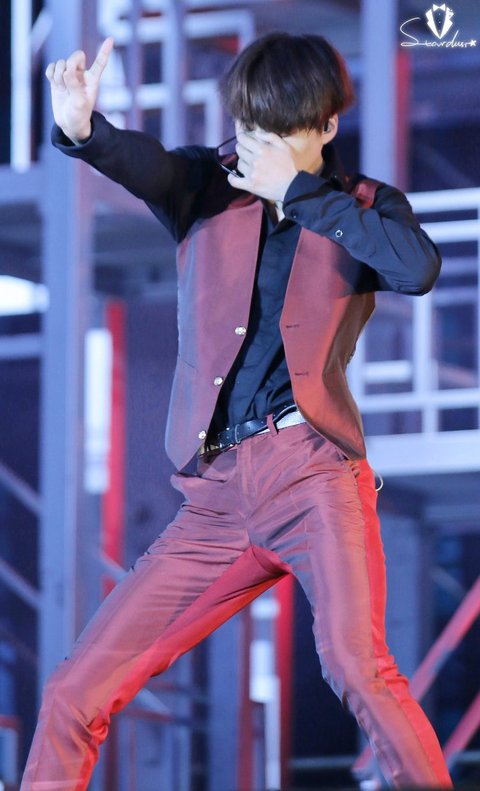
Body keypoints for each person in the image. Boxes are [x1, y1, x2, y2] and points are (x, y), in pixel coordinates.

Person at [21, 32, 453, 790]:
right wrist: (86, 129)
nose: (257, 149)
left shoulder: (360, 206)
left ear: (325, 126)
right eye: (249, 128)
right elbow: (147, 163)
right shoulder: (206, 186)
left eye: (278, 133)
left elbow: (415, 267)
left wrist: (301, 194)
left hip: (313, 478)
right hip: (214, 498)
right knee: (72, 691)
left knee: (357, 667)